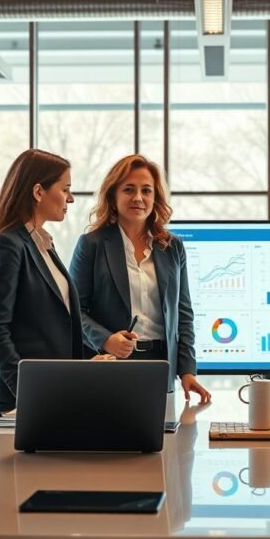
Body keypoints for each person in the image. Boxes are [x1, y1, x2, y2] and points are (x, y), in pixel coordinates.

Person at [0, 148, 112, 425]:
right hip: (16, 396)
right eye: (65, 188)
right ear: (38, 191)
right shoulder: (7, 244)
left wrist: (87, 368)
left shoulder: (42, 243)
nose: (71, 198)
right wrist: (29, 392)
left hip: (50, 390)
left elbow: (54, 324)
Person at [69, 154, 211, 403]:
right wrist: (105, 339)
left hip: (160, 367)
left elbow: (183, 312)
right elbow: (73, 310)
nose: (138, 198)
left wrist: (187, 369)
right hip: (111, 364)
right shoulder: (91, 244)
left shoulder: (172, 246)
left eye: (146, 190)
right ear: (113, 195)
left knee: (162, 440)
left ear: (155, 198)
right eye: (128, 189)